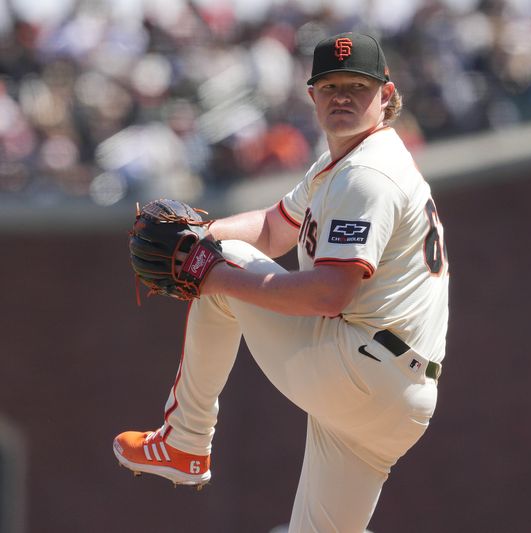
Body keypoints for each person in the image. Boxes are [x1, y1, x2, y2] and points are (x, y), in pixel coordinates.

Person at [113, 32, 450, 532]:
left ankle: (185, 439)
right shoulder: (343, 161)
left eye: (357, 86)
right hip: (393, 393)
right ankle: (185, 440)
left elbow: (327, 292)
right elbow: (275, 229)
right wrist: (199, 233)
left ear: (385, 95)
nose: (342, 96)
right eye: (330, 85)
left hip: (362, 366)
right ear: (311, 95)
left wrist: (216, 271)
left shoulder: (368, 175)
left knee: (221, 265)